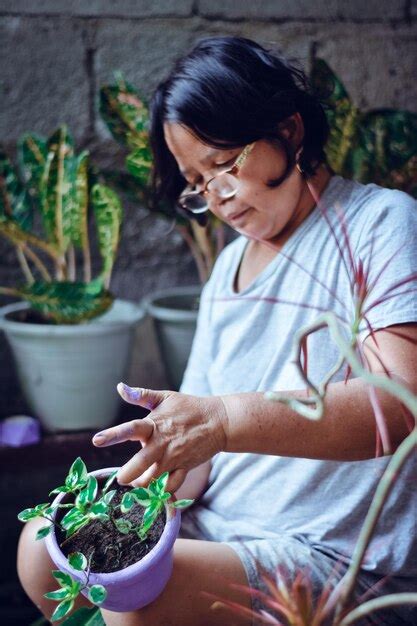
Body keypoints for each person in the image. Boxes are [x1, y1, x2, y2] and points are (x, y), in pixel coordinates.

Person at [18, 36, 417, 626]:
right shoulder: (230, 267)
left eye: (225, 163)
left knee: (134, 606)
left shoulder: (381, 223)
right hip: (223, 525)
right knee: (39, 552)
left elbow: (398, 407)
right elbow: (203, 450)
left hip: (327, 554)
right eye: (197, 182)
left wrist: (223, 420)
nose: (219, 195)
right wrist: (160, 473)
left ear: (290, 129)